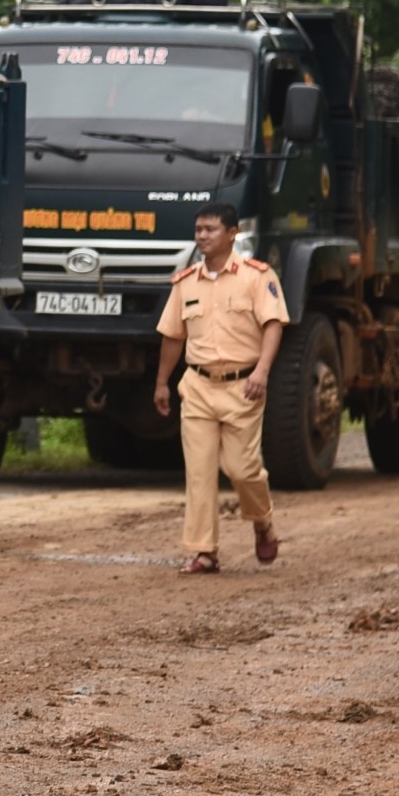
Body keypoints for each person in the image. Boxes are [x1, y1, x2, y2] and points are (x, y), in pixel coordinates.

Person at [151, 204, 283, 575]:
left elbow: (274, 325)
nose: (202, 236)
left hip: (243, 386)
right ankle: (204, 551)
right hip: (197, 386)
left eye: (210, 229)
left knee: (242, 469)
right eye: (198, 230)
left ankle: (262, 520)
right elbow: (172, 335)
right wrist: (162, 382)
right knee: (199, 471)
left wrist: (262, 371)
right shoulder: (186, 282)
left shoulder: (256, 277)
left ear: (232, 233)